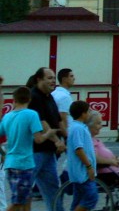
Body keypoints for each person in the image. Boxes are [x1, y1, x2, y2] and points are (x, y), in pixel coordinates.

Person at [0, 84, 60, 211]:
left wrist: (3, 153)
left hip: (10, 163)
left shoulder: (7, 116)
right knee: (18, 201)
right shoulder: (31, 114)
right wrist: (48, 134)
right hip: (24, 163)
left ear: (13, 100)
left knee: (26, 197)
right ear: (29, 99)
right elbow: (38, 139)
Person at [26, 67, 65, 211]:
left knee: (53, 189)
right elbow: (42, 123)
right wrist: (57, 141)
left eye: (54, 78)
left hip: (48, 152)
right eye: (49, 78)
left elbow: (58, 120)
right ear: (39, 79)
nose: (53, 81)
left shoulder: (50, 97)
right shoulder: (34, 97)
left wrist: (67, 137)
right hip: (35, 151)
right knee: (24, 190)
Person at [66, 101, 98, 211]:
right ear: (82, 114)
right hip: (82, 171)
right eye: (88, 111)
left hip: (81, 171)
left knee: (78, 199)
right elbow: (78, 149)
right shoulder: (77, 128)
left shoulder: (80, 127)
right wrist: (89, 166)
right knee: (91, 196)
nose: (89, 114)